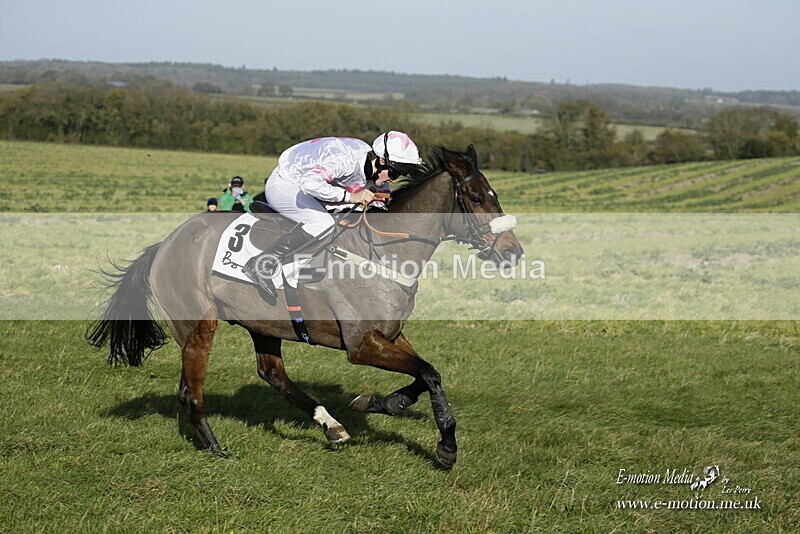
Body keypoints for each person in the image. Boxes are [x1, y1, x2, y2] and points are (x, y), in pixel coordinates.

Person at [244, 131, 426, 297]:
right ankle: (262, 264)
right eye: (393, 174)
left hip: (307, 186)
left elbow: (379, 194)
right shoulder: (344, 159)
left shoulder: (373, 165)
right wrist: (351, 196)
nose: (392, 180)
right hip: (286, 184)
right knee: (323, 224)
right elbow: (310, 183)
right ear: (381, 161)